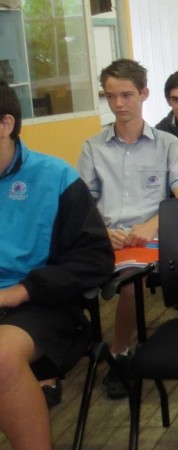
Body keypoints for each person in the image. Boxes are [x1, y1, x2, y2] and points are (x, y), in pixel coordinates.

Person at [0, 81, 114, 448]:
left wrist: (22, 291)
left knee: (0, 357)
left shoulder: (55, 178)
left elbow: (95, 260)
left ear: (5, 125)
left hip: (43, 306)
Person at [77, 59, 178, 399]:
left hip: (150, 239)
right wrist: (101, 230)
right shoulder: (93, 147)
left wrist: (151, 223)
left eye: (127, 95)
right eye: (111, 96)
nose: (118, 104)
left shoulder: (167, 144)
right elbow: (82, 205)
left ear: (144, 94)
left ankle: (119, 353)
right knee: (57, 270)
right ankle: (61, 353)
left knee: (130, 282)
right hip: (104, 238)